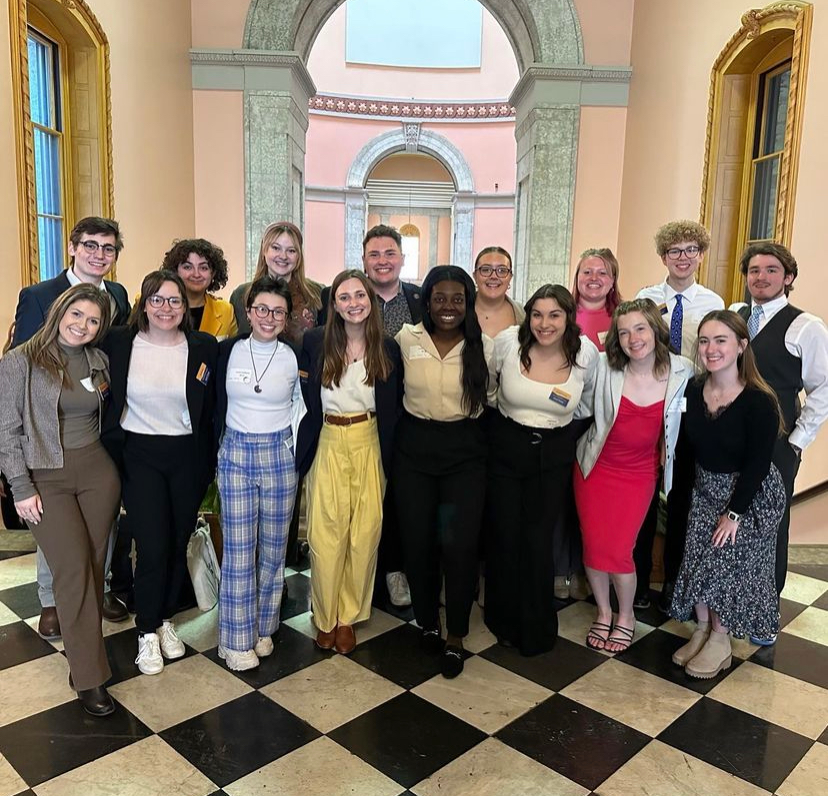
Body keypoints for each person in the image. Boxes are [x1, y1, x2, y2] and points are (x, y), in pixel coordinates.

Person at [0, 284, 121, 715]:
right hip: (45, 477)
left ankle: (83, 659)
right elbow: (6, 431)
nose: (82, 326)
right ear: (59, 312)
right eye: (76, 315)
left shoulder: (98, 360)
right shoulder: (20, 360)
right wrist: (21, 487)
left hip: (97, 474)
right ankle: (90, 677)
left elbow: (108, 416)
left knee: (90, 566)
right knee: (71, 570)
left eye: (93, 321)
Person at [11, 216, 130, 638]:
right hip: (50, 439)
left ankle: (95, 591)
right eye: (91, 245)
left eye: (109, 248)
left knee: (99, 525)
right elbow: (21, 365)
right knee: (58, 526)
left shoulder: (116, 295)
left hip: (96, 429)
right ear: (73, 247)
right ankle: (51, 598)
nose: (100, 254)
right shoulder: (39, 296)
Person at [101, 271, 218, 675]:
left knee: (177, 540)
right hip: (139, 454)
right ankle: (146, 631)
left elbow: (212, 409)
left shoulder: (203, 346)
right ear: (143, 303)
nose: (165, 308)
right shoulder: (119, 341)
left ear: (185, 308)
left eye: (174, 301)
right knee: (152, 544)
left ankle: (166, 619)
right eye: (157, 300)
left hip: (186, 455)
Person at [669, 311, 786, 678]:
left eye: (721, 340)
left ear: (741, 345)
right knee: (697, 557)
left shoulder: (758, 400)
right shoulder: (692, 390)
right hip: (706, 487)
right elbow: (687, 450)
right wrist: (682, 498)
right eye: (704, 340)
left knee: (724, 561)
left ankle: (720, 640)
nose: (711, 348)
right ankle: (702, 629)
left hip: (750, 495)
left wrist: (733, 513)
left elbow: (758, 464)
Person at [394, 265, 497, 678]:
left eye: (457, 298)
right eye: (440, 298)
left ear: (468, 302)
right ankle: (426, 622)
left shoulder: (484, 346)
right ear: (427, 300)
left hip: (464, 454)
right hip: (414, 452)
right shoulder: (406, 338)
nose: (448, 306)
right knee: (418, 542)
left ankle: (456, 633)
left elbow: (491, 398)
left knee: (458, 545)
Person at [484, 285, 598, 655]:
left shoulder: (585, 354)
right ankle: (502, 619)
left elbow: (587, 405)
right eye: (537, 314)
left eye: (554, 315)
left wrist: (555, 423)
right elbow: (489, 389)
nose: (544, 324)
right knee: (505, 536)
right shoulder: (506, 343)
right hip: (505, 449)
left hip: (553, 455)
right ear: (527, 315)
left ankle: (535, 624)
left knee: (538, 539)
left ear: (568, 318)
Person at [574, 299, 692, 653]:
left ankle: (625, 616)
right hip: (594, 469)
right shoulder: (604, 366)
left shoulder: (683, 370)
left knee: (621, 549)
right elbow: (582, 408)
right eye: (623, 332)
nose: (632, 338)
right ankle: (603, 611)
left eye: (640, 328)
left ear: (656, 330)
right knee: (594, 546)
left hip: (640, 473)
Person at [296, 269, 402, 655]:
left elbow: (396, 405)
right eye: (344, 297)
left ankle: (348, 617)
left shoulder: (387, 348)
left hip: (369, 439)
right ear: (334, 304)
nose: (353, 303)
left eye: (360, 296)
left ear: (371, 302)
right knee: (326, 533)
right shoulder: (313, 341)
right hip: (327, 437)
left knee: (365, 532)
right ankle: (325, 616)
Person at [319, 224, 421, 609]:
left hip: (384, 429)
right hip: (334, 436)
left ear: (401, 258)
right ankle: (332, 602)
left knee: (374, 521)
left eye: (389, 253)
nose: (382, 261)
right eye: (374, 254)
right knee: (332, 526)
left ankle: (380, 582)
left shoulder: (414, 302)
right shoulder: (323, 337)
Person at [731, 243, 828, 644]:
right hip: (731, 440)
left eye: (771, 270)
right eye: (754, 270)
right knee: (730, 518)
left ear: (788, 277)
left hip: (777, 444)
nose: (761, 277)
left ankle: (765, 611)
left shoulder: (806, 326)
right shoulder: (736, 315)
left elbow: (823, 389)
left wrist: (797, 442)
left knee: (770, 525)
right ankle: (730, 602)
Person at [214, 276, 305, 670]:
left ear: (286, 319)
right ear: (248, 312)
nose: (269, 318)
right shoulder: (226, 352)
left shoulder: (295, 356)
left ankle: (263, 627)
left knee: (272, 549)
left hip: (279, 454)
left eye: (278, 312)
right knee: (238, 550)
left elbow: (306, 408)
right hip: (235, 452)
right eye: (262, 309)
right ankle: (234, 640)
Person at [637, 220, 724, 613]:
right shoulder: (646, 297)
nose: (683, 258)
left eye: (691, 250)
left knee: (681, 496)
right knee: (644, 495)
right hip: (652, 394)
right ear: (663, 257)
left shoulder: (713, 302)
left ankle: (673, 581)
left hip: (692, 400)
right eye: (675, 251)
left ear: (701, 255)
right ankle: (639, 580)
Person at [230, 221, 323, 345]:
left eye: (291, 251)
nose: (283, 256)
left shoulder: (317, 293)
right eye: (276, 248)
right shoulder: (241, 295)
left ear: (299, 256)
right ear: (264, 251)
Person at [161, 238, 237, 340]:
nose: (196, 274)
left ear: (213, 273)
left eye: (203, 268)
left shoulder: (226, 311)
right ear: (175, 271)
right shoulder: (153, 304)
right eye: (188, 267)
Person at [571, 247, 622, 351]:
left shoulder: (624, 316)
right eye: (587, 272)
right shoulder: (560, 314)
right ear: (577, 277)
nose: (594, 278)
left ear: (613, 281)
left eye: (602, 273)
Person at [472, 246, 524, 338]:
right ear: (475, 276)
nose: (494, 276)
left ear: (510, 277)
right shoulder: (460, 311)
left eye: (502, 270)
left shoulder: (523, 315)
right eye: (486, 270)